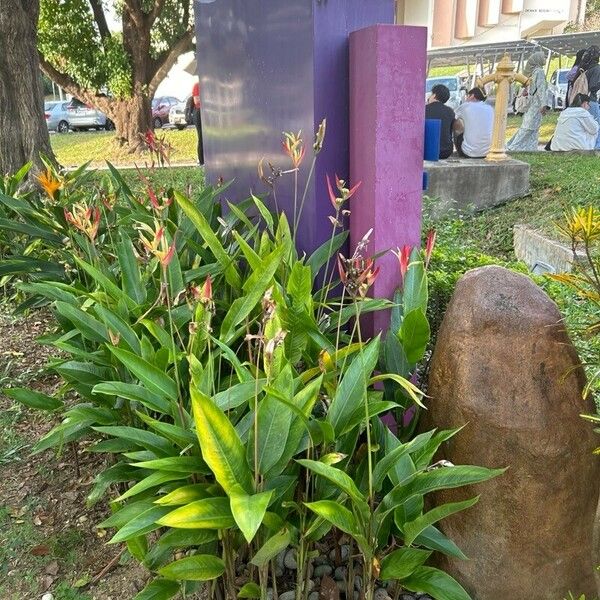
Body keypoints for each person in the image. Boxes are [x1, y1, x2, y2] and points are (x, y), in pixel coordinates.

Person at [507, 51, 548, 152]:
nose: (545, 59)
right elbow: (541, 89)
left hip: (529, 103)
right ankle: (513, 147)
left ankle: (530, 149)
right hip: (536, 104)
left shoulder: (531, 72)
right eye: (543, 57)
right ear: (538, 59)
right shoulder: (539, 72)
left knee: (531, 127)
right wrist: (544, 104)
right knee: (529, 128)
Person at [453, 87, 494, 158]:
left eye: (467, 96)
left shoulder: (465, 106)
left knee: (455, 124)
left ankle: (460, 154)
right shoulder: (490, 108)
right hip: (488, 152)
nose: (466, 99)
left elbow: (453, 117)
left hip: (469, 152)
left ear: (472, 96)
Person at [425, 84, 456, 159]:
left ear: (434, 95)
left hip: (427, 151)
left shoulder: (424, 109)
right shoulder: (450, 111)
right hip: (446, 152)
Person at [582, 45, 600, 149]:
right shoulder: (597, 68)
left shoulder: (586, 68)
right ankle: (596, 149)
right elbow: (593, 86)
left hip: (584, 101)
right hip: (592, 100)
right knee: (596, 126)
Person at [192, 79, 204, 166]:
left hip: (208, 112)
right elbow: (196, 101)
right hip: (199, 112)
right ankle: (201, 161)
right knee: (201, 137)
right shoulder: (197, 85)